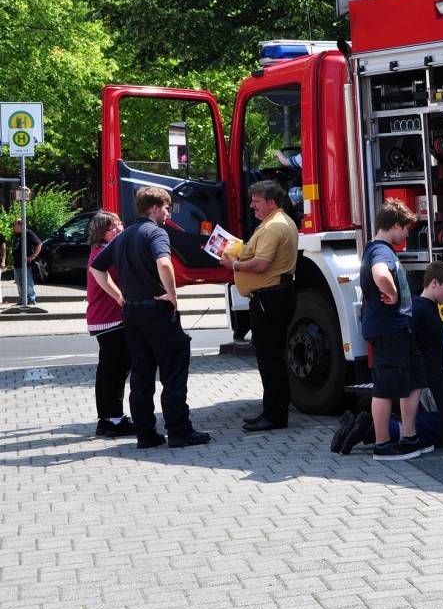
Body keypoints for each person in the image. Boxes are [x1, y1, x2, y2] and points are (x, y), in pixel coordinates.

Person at [89, 186, 210, 449]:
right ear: (154, 208)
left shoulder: (125, 235)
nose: (167, 213)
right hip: (156, 309)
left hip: (131, 312)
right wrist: (172, 295)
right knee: (174, 369)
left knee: (142, 373)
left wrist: (119, 296)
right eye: (166, 208)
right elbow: (164, 263)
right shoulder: (156, 232)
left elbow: (96, 267)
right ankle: (179, 430)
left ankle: (146, 434)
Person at [220, 181, 299, 432]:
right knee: (271, 357)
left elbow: (262, 264)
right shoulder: (275, 223)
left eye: (256, 200)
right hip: (273, 296)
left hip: (269, 298)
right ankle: (271, 411)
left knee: (270, 359)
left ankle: (274, 416)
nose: (252, 204)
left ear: (271, 203)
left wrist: (234, 265)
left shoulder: (273, 226)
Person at [359, 199, 432, 460]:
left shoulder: (378, 248)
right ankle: (382, 445)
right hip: (388, 329)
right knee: (386, 386)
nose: (407, 235)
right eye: (406, 229)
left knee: (414, 380)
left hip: (396, 327)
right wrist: (390, 291)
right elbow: (380, 274)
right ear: (395, 225)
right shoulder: (381, 251)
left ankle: (409, 437)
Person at [86, 211, 136, 438]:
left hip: (103, 318)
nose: (119, 229)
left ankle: (106, 419)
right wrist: (121, 299)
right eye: (112, 227)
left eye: (119, 224)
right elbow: (103, 279)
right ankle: (114, 420)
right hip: (111, 318)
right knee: (116, 369)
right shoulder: (104, 252)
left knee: (106, 370)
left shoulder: (102, 249)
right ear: (101, 232)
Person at [411, 261, 443, 445]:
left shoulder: (425, 307)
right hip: (427, 380)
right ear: (434, 283)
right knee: (429, 431)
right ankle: (376, 428)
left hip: (431, 378)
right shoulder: (421, 309)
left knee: (433, 430)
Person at [2, 218, 42, 305]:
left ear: (21, 225)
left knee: (27, 282)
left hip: (25, 263)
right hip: (17, 263)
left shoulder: (28, 233)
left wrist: (33, 256)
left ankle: (31, 299)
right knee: (19, 282)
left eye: (15, 224)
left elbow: (39, 244)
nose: (13, 226)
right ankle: (22, 299)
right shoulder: (17, 235)